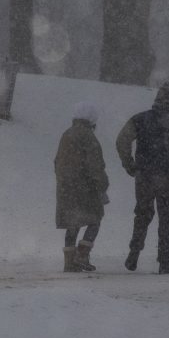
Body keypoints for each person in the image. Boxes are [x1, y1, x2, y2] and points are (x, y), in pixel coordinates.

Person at [117, 81, 169, 274]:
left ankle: (134, 253)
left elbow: (122, 140)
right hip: (168, 179)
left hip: (144, 177)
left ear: (156, 99)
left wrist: (130, 165)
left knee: (142, 215)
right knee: (166, 220)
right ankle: (164, 261)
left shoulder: (140, 119)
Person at [54, 101, 109, 272]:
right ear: (92, 120)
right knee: (95, 218)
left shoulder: (66, 134)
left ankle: (69, 262)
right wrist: (102, 185)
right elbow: (96, 167)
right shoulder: (89, 137)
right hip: (86, 188)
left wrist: (63, 180)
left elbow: (57, 161)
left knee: (72, 222)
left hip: (66, 187)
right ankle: (82, 255)